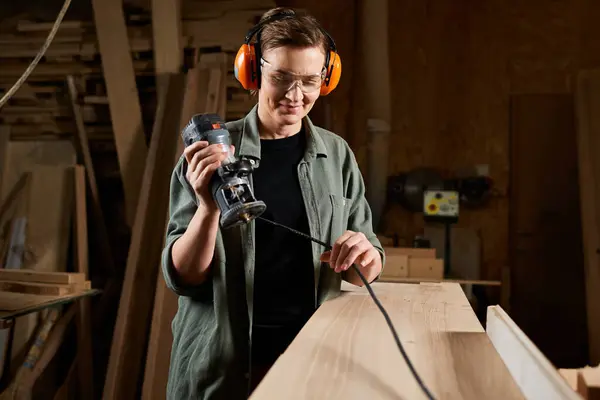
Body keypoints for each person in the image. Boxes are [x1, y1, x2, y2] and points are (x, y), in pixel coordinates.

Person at [161, 7, 385, 400]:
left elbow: (368, 264)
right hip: (222, 368)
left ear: (326, 80)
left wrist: (365, 256)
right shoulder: (209, 155)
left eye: (310, 81)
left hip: (315, 363)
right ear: (253, 71)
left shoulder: (337, 155)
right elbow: (183, 278)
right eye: (281, 77)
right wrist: (208, 207)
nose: (295, 95)